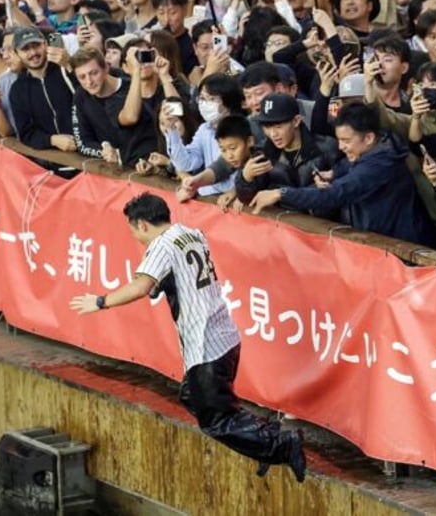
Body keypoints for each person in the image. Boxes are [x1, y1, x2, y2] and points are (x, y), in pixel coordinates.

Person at [69, 192, 306, 484]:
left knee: (216, 422)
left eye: (133, 230)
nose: (136, 239)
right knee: (192, 396)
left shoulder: (161, 245)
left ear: (142, 224)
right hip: (224, 337)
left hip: (205, 345)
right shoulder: (190, 233)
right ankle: (262, 442)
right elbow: (177, 279)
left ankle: (280, 445)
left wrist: (101, 302)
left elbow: (142, 286)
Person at [251, 102, 431, 244]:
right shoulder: (374, 147)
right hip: (377, 239)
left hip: (399, 247)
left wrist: (281, 194)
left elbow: (336, 194)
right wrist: (333, 173)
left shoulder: (379, 164)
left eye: (346, 141)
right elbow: (346, 164)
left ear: (368, 138)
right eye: (339, 140)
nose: (340, 147)